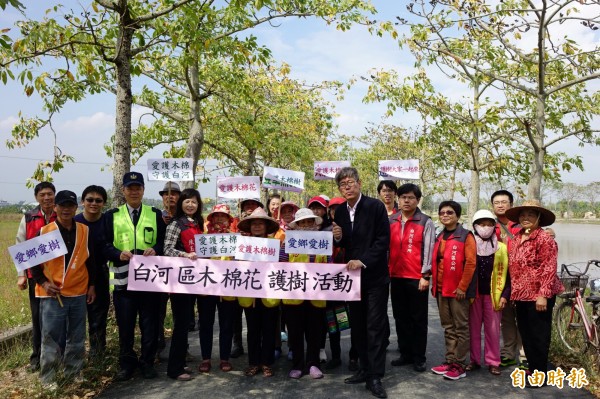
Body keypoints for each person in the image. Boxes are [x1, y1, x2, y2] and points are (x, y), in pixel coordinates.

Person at [332, 167, 390, 399]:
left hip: (374, 277)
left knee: (374, 327)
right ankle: (364, 369)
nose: (347, 186)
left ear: (359, 182)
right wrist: (338, 238)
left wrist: (363, 261)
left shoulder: (375, 207)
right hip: (352, 279)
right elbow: (346, 242)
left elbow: (383, 241)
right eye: (342, 184)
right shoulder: (340, 212)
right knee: (357, 325)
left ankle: (375, 376)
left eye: (350, 182)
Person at [104, 172, 166, 381]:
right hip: (123, 282)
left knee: (149, 325)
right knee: (126, 325)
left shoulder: (154, 214)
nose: (134, 191)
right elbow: (104, 245)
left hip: (149, 281)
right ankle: (126, 363)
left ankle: (147, 363)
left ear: (143, 190)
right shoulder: (112, 215)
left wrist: (155, 250)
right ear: (123, 191)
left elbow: (162, 242)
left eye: (137, 187)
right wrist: (117, 254)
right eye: (130, 188)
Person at [30, 190, 96, 388]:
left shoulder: (84, 230)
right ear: (55, 208)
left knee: (77, 336)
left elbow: (89, 261)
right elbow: (33, 263)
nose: (66, 209)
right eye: (62, 205)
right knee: (51, 337)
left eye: (70, 205)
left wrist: (91, 286)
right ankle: (48, 377)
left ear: (76, 207)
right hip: (52, 293)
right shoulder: (44, 231)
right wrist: (43, 282)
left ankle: (73, 372)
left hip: (78, 291)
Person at [505, 200, 564, 383]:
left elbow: (549, 268)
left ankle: (540, 375)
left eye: (531, 214)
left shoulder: (544, 239)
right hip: (521, 295)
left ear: (539, 217)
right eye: (523, 215)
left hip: (539, 296)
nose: (526, 218)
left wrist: (543, 295)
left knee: (539, 335)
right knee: (526, 334)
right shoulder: (516, 239)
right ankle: (532, 369)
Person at [389, 183, 435, 373]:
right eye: (403, 197)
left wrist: (425, 275)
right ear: (397, 200)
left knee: (418, 318)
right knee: (400, 317)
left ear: (417, 200)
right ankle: (405, 353)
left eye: (410, 197)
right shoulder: (391, 220)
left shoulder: (425, 221)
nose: (406, 201)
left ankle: (419, 357)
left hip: (416, 277)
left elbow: (429, 249)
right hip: (395, 275)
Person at [430, 201, 476, 381]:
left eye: (449, 212)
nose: (445, 215)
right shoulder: (440, 236)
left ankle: (460, 363)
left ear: (457, 215)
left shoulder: (466, 236)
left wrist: (463, 286)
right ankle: (450, 360)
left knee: (461, 328)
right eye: (442, 213)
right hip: (441, 288)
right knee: (448, 327)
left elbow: (471, 263)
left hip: (458, 290)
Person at [282, 208, 330, 379]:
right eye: (302, 222)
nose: (306, 225)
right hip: (293, 296)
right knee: (295, 332)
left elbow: (330, 265)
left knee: (315, 332)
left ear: (314, 224)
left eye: (310, 222)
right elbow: (281, 265)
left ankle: (313, 364)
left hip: (316, 296)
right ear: (297, 225)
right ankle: (297, 365)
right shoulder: (288, 242)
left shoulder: (324, 242)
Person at [15, 181, 57, 372]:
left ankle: (57, 355)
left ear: (54, 195)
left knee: (57, 317)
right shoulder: (29, 218)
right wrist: (21, 275)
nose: (47, 198)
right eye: (42, 195)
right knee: (38, 317)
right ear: (36, 197)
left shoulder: (62, 215)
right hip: (36, 277)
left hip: (59, 276)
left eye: (50, 194)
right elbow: (20, 245)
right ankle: (36, 357)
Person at [163, 188, 203, 381]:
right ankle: (174, 369)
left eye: (194, 202)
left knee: (187, 322)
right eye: (186, 201)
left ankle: (179, 361)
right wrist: (185, 255)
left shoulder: (198, 223)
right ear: (181, 204)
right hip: (180, 281)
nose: (190, 205)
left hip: (196, 280)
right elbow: (167, 249)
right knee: (180, 324)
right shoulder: (175, 224)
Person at [236, 208, 281, 378]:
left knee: (269, 330)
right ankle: (254, 362)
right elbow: (236, 265)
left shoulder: (275, 245)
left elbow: (283, 265)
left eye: (260, 223)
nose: (256, 226)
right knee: (253, 330)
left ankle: (267, 363)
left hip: (270, 293)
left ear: (266, 226)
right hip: (250, 295)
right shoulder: (242, 245)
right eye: (253, 223)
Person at [466, 210, 509, 376]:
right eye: (481, 224)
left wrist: (505, 294)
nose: (485, 227)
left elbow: (509, 275)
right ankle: (474, 360)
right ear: (475, 227)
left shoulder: (502, 248)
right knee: (474, 329)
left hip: (494, 295)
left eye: (489, 224)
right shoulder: (469, 246)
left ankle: (493, 361)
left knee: (493, 330)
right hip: (474, 295)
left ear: (494, 226)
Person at [197, 204, 236, 373]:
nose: (220, 219)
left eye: (223, 216)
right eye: (216, 216)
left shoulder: (236, 238)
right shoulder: (203, 238)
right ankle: (206, 358)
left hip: (228, 286)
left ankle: (224, 358)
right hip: (207, 285)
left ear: (229, 219)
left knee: (227, 324)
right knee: (206, 323)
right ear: (211, 218)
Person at [324, 197, 359, 372]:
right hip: (331, 286)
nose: (336, 212)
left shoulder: (355, 230)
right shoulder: (323, 232)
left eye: (340, 208)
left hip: (352, 284)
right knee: (333, 322)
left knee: (354, 321)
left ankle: (354, 356)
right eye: (333, 209)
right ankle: (336, 356)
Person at [74, 185, 109, 357]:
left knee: (98, 318)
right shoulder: (74, 223)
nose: (93, 203)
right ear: (82, 202)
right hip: (76, 275)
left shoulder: (108, 222)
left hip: (100, 275)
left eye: (98, 200)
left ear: (103, 203)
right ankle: (74, 357)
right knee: (75, 319)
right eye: (89, 199)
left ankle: (98, 355)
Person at [491, 190, 522, 368]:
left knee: (523, 318)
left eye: (504, 202)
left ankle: (525, 355)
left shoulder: (521, 225)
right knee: (507, 319)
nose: (501, 205)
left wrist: (549, 232)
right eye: (497, 202)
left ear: (511, 204)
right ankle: (508, 353)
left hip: (521, 278)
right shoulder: (488, 225)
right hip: (501, 279)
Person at [230, 197, 264, 359]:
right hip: (240, 279)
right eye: (247, 205)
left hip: (263, 284)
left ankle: (265, 353)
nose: (250, 207)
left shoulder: (267, 233)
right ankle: (238, 344)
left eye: (253, 204)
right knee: (237, 315)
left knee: (262, 321)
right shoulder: (234, 224)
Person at [157, 181, 182, 350]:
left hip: (180, 273)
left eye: (173, 194)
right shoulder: (154, 216)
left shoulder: (184, 219)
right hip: (158, 272)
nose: (170, 196)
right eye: (166, 194)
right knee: (157, 311)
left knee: (180, 313)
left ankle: (181, 348)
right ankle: (158, 346)